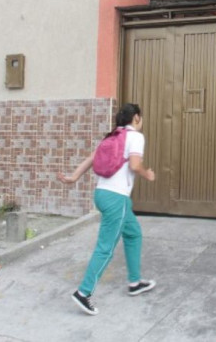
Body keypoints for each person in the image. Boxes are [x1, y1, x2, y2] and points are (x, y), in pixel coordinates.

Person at [57, 103, 156, 316]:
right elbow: (135, 165)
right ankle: (83, 292)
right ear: (136, 118)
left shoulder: (112, 136)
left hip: (103, 193)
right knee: (106, 247)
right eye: (140, 117)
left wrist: (74, 177)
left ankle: (135, 282)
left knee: (133, 233)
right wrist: (148, 174)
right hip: (116, 198)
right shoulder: (135, 137)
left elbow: (91, 159)